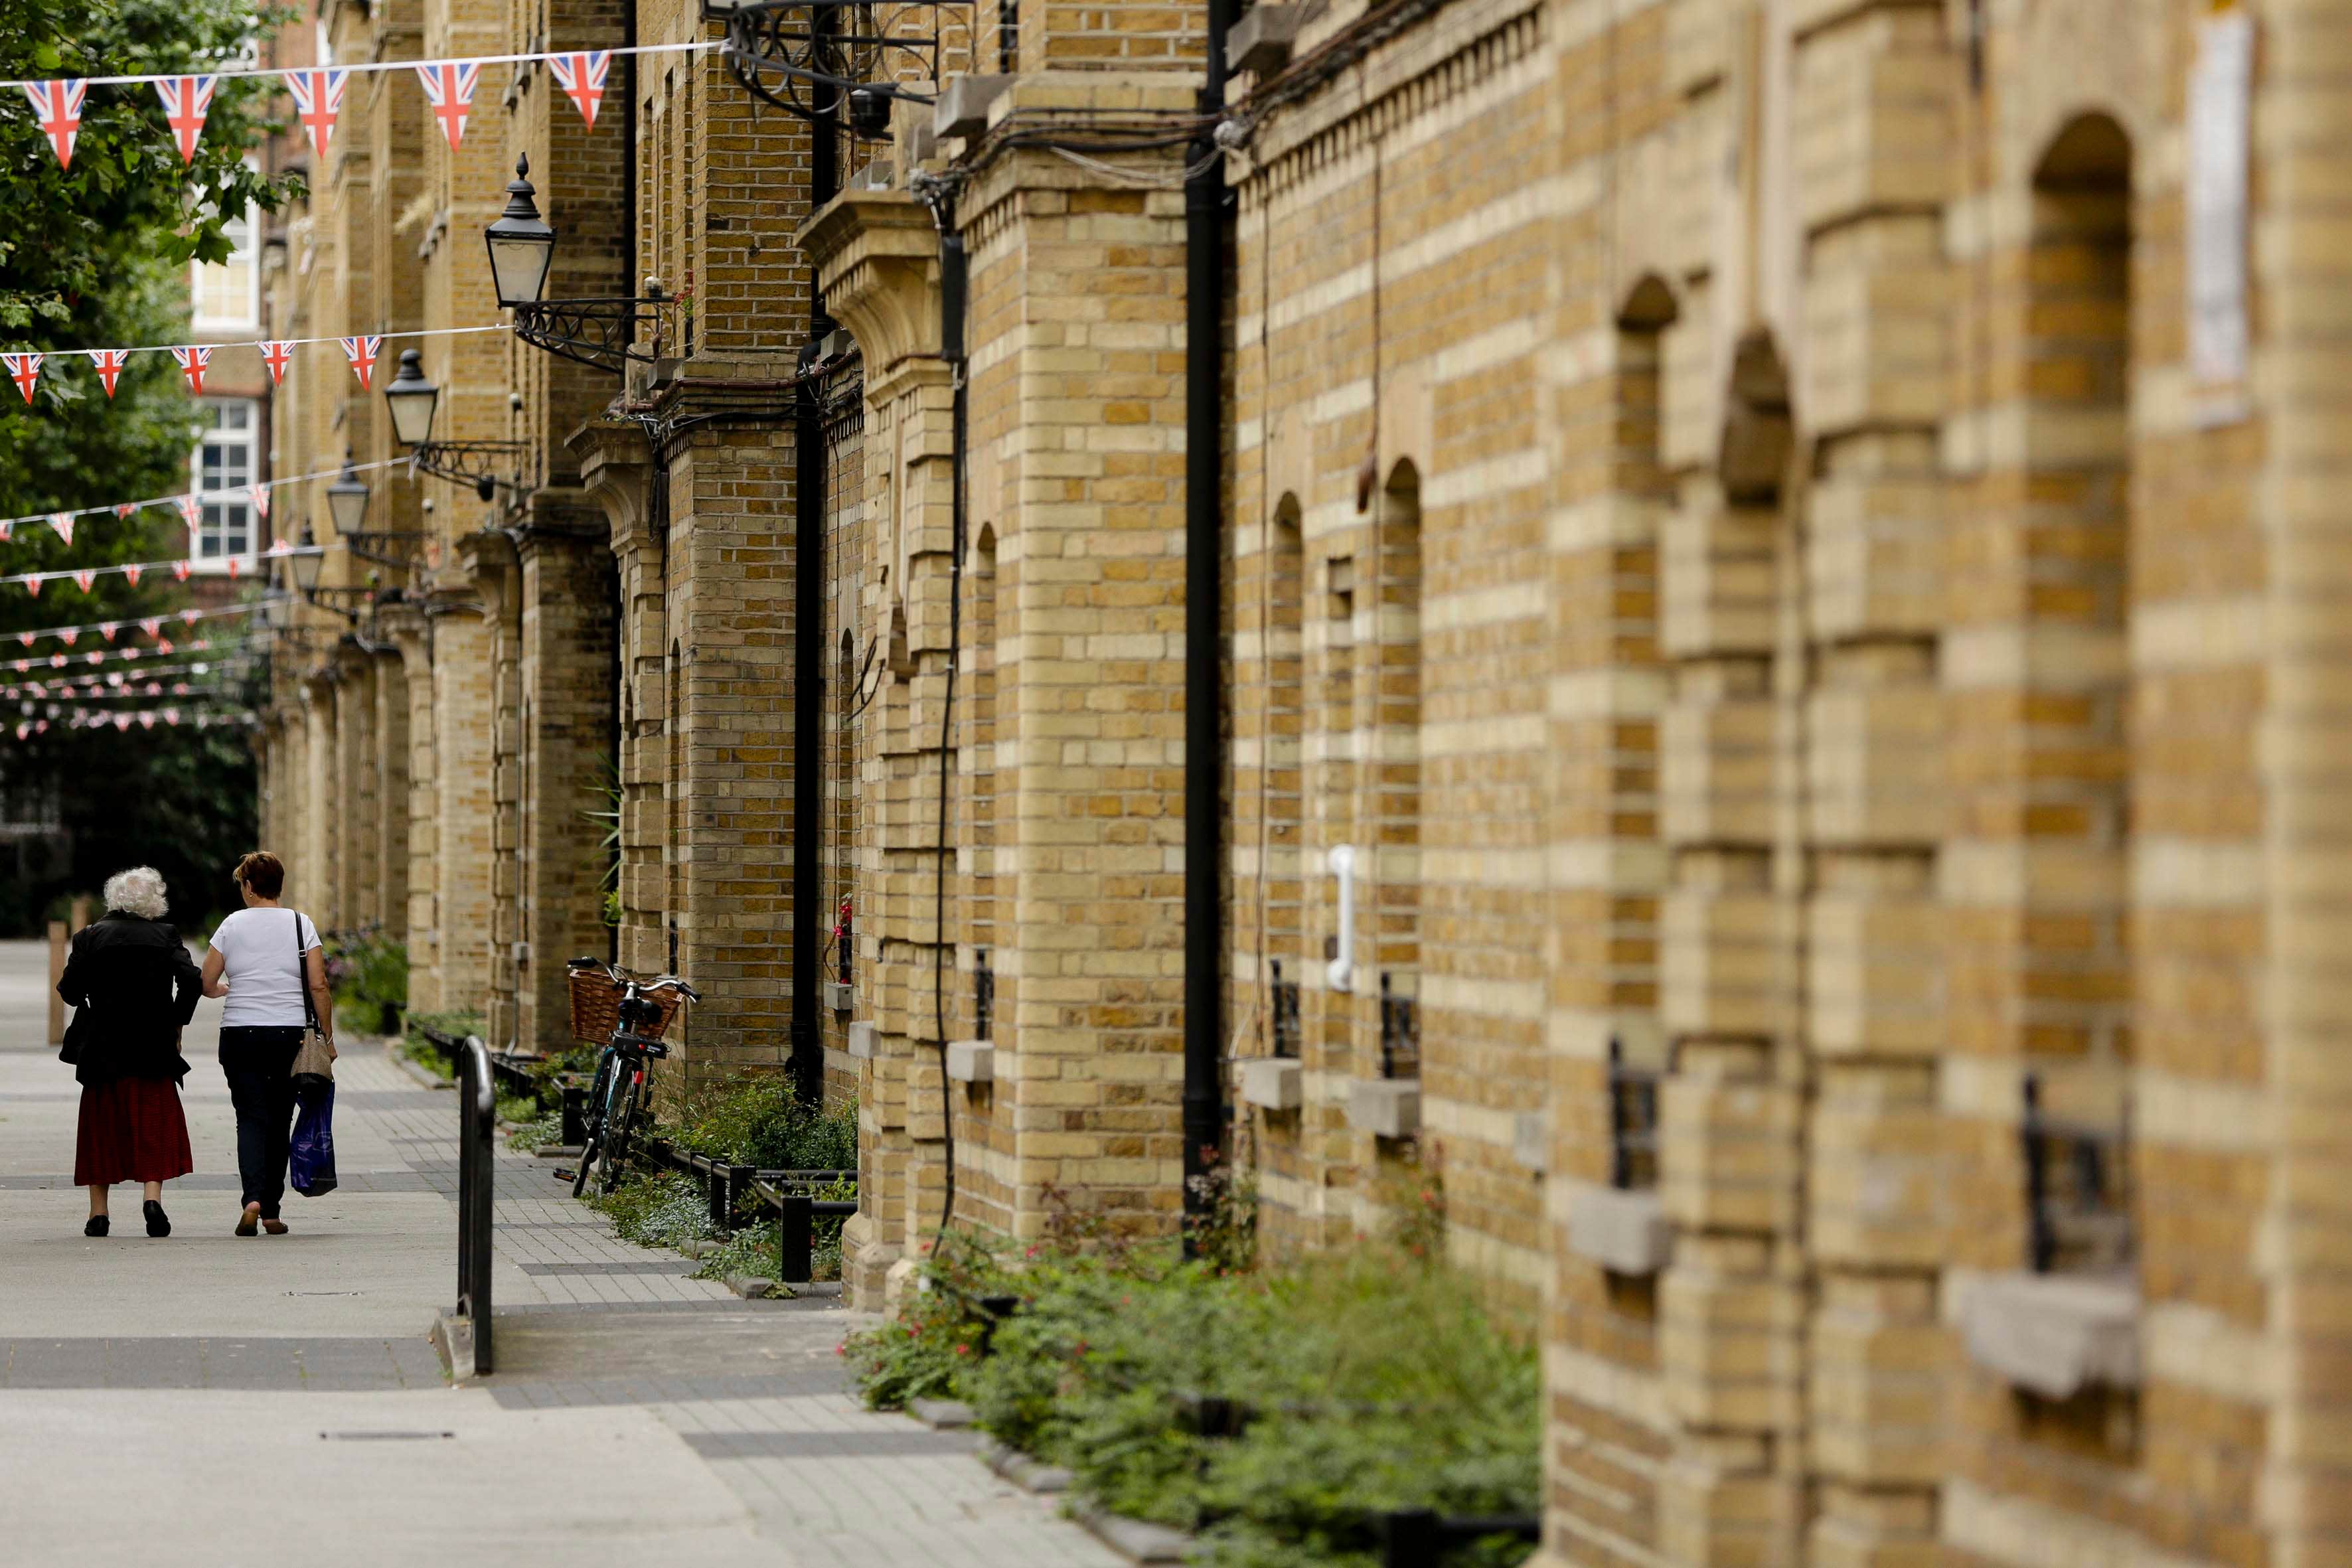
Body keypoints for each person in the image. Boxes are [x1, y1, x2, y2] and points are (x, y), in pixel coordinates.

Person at [59, 866, 203, 1239]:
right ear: (154, 902)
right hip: (153, 1044)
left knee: (101, 1126)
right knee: (152, 1120)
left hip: (102, 1047)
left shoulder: (89, 936)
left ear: (114, 899)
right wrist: (177, 1021)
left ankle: (99, 1214)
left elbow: (71, 992)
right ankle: (151, 1199)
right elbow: (192, 980)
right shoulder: (166, 935)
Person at [200, 851, 335, 1236]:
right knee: (280, 1120)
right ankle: (272, 1211)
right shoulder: (300, 924)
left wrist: (225, 989)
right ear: (279, 886)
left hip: (240, 1034)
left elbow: (207, 982)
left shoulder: (231, 925)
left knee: (250, 1118)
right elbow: (318, 985)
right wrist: (327, 1038)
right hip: (288, 1035)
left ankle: (252, 1200)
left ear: (247, 886)